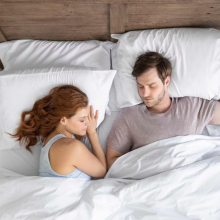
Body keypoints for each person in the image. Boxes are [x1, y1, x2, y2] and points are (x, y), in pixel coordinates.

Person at [106, 52, 220, 169]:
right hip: (149, 181)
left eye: (152, 86)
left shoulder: (191, 106)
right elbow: (111, 161)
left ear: (166, 82)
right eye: (140, 86)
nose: (145, 93)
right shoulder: (129, 116)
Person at [11, 85, 107, 179]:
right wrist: (92, 133)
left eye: (88, 117)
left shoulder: (51, 137)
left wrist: (85, 129)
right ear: (63, 120)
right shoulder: (73, 148)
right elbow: (102, 171)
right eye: (82, 120)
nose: (88, 123)